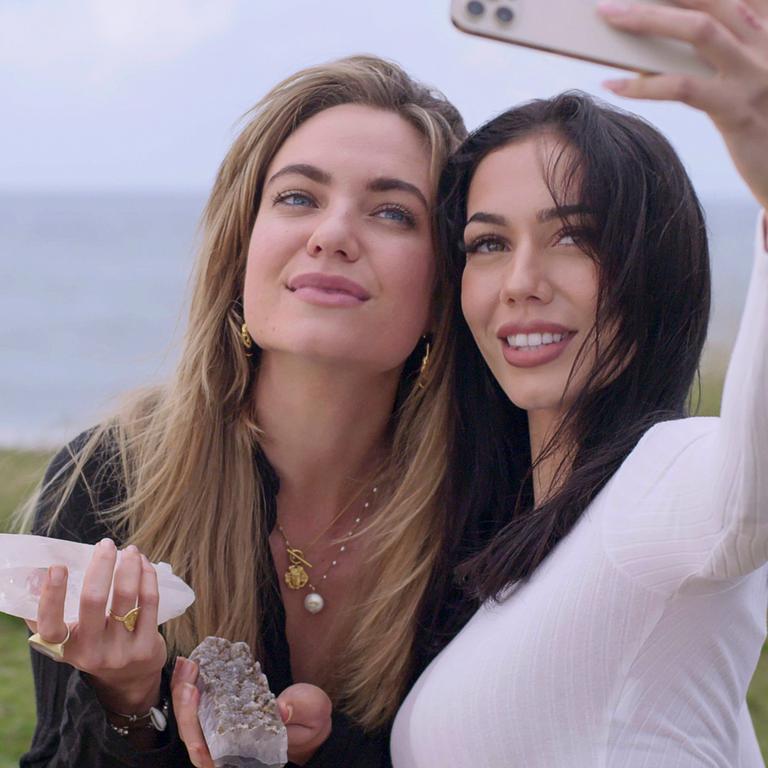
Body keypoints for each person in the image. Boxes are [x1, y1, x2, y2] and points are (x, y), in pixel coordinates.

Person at [20, 55, 474, 768]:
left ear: (447, 282)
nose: (332, 234)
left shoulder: (485, 509)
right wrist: (128, 707)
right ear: (241, 245)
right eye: (298, 198)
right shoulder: (109, 480)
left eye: (393, 212)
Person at [391, 1, 768, 765]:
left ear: (653, 271)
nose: (520, 282)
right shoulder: (503, 549)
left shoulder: (667, 483)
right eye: (489, 243)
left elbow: (746, 498)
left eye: (573, 237)